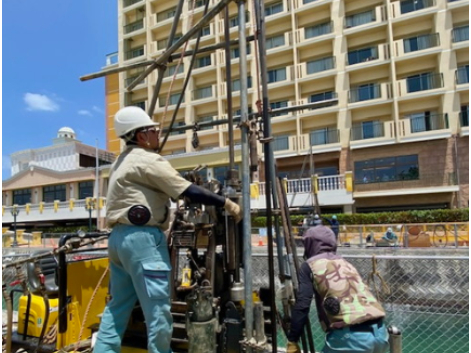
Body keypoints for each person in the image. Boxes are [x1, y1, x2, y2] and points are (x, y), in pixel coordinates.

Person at [93, 106, 242, 353]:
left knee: (118, 306)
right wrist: (227, 203)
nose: (158, 134)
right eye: (153, 130)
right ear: (141, 136)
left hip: (118, 240)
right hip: (142, 242)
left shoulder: (120, 161)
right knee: (158, 310)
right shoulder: (147, 160)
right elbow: (187, 190)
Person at [287, 226, 389, 353]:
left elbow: (303, 304)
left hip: (351, 337)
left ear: (309, 244)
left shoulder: (310, 266)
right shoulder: (345, 263)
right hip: (381, 333)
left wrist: (292, 339)